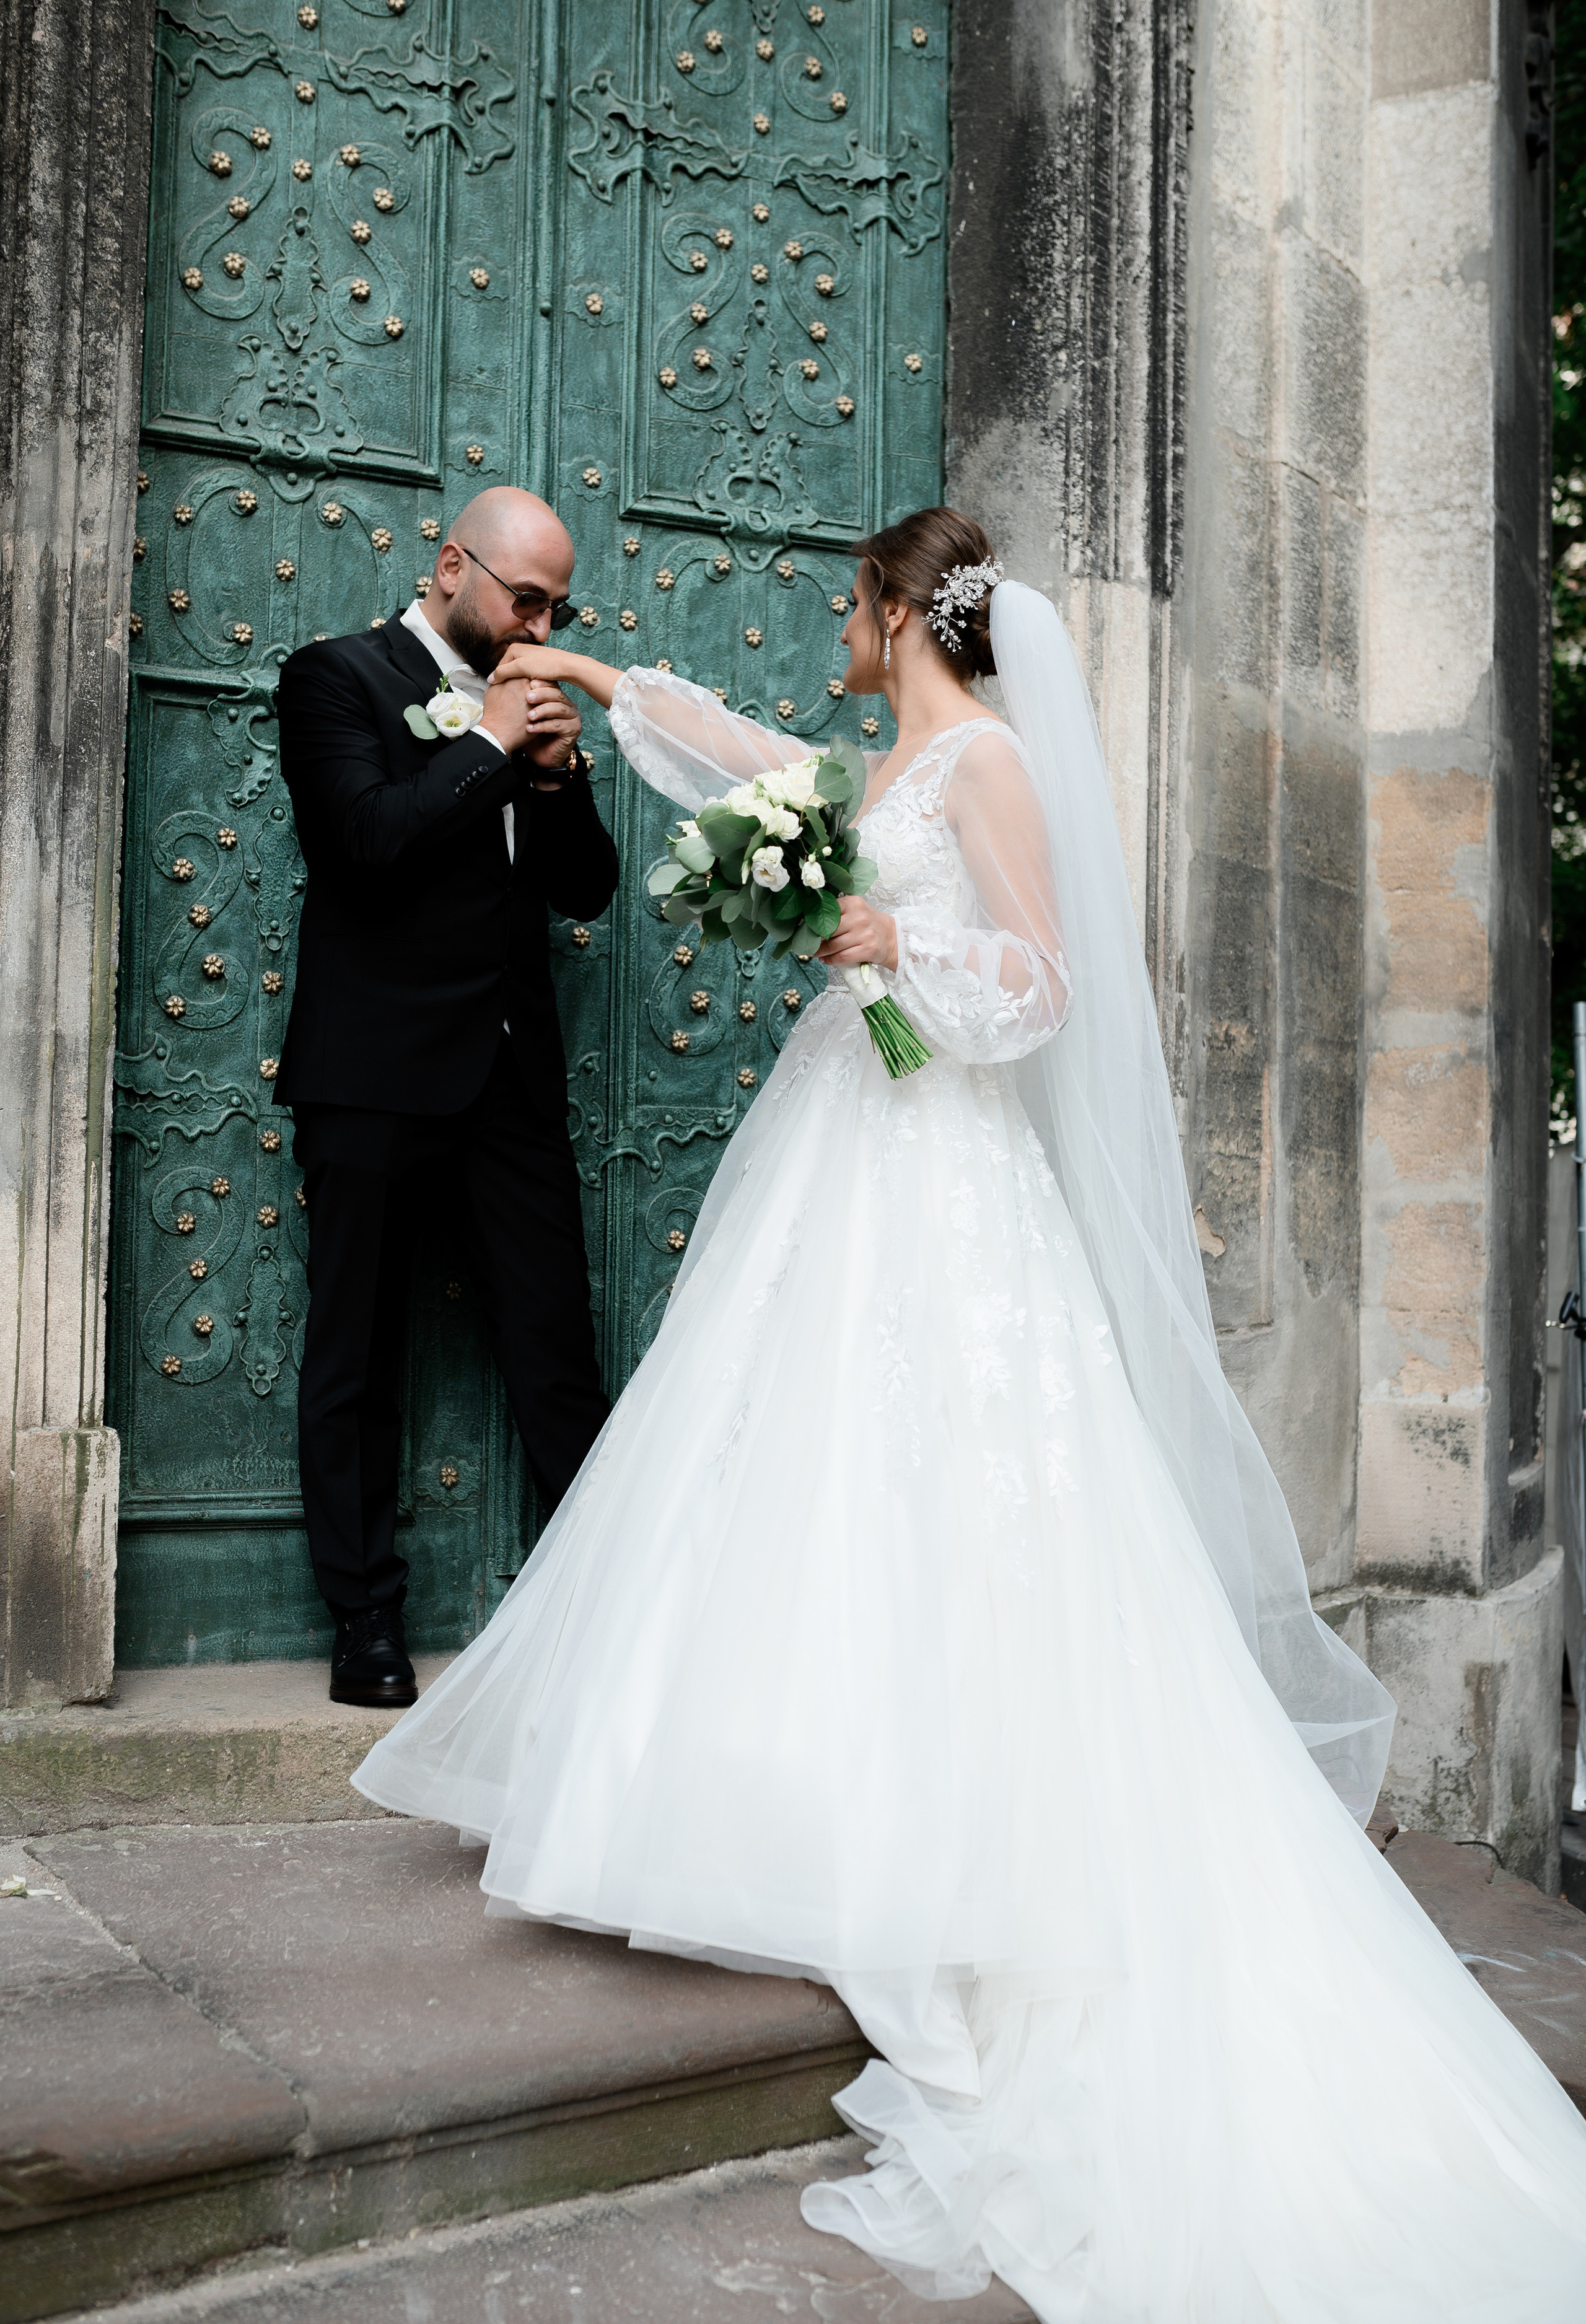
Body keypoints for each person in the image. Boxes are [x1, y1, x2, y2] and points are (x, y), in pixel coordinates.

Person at [353, 506, 1586, 2316]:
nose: (829, 636)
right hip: (859, 1139)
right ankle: (764, 1786)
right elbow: (760, 763)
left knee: (959, 1489)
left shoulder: (989, 763)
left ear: (896, 612)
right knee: (806, 1467)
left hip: (944, 1171)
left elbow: (1046, 986)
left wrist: (889, 957)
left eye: (847, 608)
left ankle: (946, 1825)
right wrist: (609, 681)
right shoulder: (903, 753)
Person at [274, 488, 618, 1708]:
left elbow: (585, 892)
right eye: (524, 597)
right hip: (372, 1076)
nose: (540, 623)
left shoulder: (536, 714)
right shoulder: (334, 678)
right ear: (448, 566)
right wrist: (483, 748)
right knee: (356, 1354)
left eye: (555, 606)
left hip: (508, 1081)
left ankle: (611, 1614)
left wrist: (555, 774)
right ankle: (365, 1620)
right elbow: (363, 845)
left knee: (556, 1358)